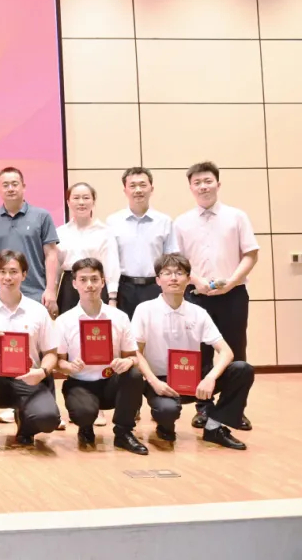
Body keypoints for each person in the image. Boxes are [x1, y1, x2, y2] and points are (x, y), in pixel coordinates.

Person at [131, 253, 253, 450]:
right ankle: (164, 426)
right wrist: (154, 382)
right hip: (161, 381)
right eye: (167, 273)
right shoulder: (145, 310)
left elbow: (226, 352)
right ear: (158, 280)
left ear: (189, 279)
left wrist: (210, 378)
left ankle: (214, 427)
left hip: (193, 379)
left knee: (242, 369)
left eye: (179, 273)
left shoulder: (198, 312)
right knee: (167, 411)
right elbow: (135, 352)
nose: (173, 278)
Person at [173, 161, 259, 431]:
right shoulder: (182, 222)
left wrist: (231, 283)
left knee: (236, 350)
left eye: (207, 181)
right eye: (197, 183)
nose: (203, 186)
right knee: (200, 352)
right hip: (196, 295)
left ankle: (234, 409)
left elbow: (251, 254)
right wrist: (197, 281)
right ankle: (204, 408)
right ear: (190, 188)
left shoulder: (237, 216)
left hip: (234, 294)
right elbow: (179, 261)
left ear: (218, 184)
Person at [0, 250, 61, 454]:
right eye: (2, 271)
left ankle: (25, 427)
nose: (7, 277)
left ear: (24, 275)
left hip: (28, 379)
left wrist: (42, 372)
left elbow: (51, 353)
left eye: (13, 272)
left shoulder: (38, 311)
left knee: (48, 419)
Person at [0, 168, 59, 425]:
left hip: (35, 291)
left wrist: (50, 289)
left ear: (24, 186)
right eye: (5, 184)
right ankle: (16, 403)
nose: (10, 188)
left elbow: (51, 254)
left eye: (15, 183)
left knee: (41, 350)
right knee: (8, 348)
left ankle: (48, 404)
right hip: (4, 292)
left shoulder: (41, 216)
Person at [55, 258, 147, 455]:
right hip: (80, 383)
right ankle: (85, 428)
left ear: (103, 282)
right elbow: (58, 361)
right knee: (84, 413)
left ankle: (123, 432)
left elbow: (134, 357)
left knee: (134, 375)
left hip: (110, 382)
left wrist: (126, 361)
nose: (89, 285)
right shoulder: (64, 321)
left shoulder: (119, 317)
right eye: (83, 280)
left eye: (94, 279)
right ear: (74, 283)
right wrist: (69, 367)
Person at [107, 168, 178, 319]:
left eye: (143, 185)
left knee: (156, 331)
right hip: (124, 289)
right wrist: (112, 296)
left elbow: (171, 261)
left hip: (155, 288)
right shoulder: (113, 222)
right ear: (125, 190)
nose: (138, 190)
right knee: (126, 331)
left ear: (151, 189)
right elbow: (110, 261)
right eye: (132, 186)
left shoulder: (164, 221)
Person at [55, 182, 120, 315]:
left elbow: (111, 266)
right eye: (76, 198)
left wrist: (112, 298)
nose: (81, 202)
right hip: (69, 288)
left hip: (96, 285)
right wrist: (52, 293)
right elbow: (55, 268)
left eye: (86, 198)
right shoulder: (60, 232)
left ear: (93, 202)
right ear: (68, 202)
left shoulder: (105, 232)